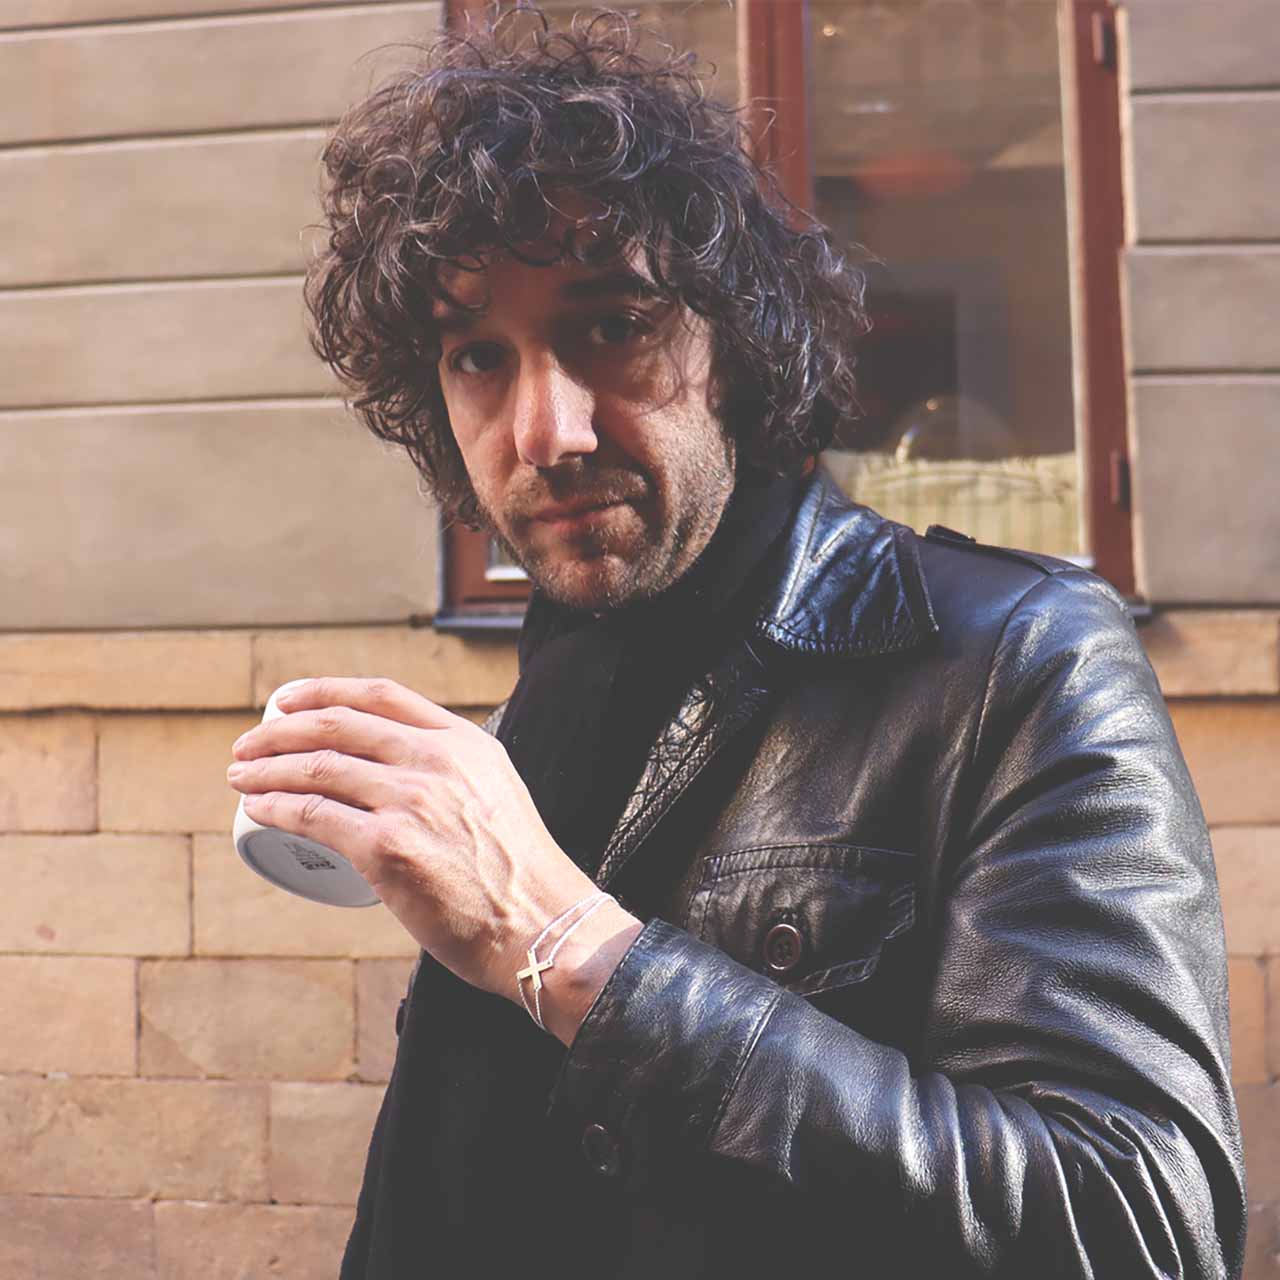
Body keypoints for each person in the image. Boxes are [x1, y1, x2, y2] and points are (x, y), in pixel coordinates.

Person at [224, 9, 1246, 1276]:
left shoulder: (1016, 659)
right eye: (478, 354)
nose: (546, 431)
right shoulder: (556, 680)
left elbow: (1141, 1223)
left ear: (733, 344)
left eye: (612, 324)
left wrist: (566, 944)